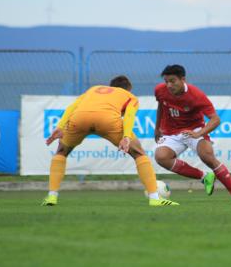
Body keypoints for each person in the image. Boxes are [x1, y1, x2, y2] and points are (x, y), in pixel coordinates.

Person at [42, 75, 179, 206]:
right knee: (139, 154)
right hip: (107, 120)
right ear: (128, 89)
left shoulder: (93, 89)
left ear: (111, 87)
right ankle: (155, 198)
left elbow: (72, 107)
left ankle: (52, 196)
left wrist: (60, 126)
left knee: (61, 152)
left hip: (79, 119)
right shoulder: (129, 96)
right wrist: (126, 136)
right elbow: (129, 116)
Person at [154, 64, 231, 203]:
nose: (169, 85)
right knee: (161, 157)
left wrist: (198, 134)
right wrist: (157, 128)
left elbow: (215, 120)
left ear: (183, 79)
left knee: (207, 156)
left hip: (194, 129)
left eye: (173, 81)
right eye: (166, 81)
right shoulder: (160, 90)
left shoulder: (196, 95)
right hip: (172, 132)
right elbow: (161, 105)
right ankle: (204, 177)